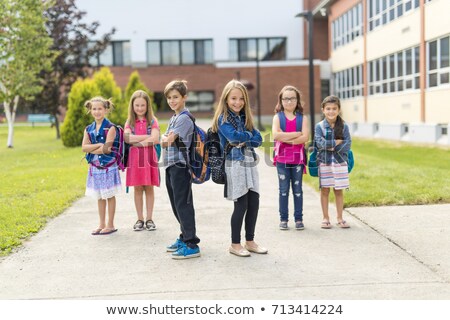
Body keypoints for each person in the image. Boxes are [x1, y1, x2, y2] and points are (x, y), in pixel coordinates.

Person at [211, 80, 267, 257]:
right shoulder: (223, 119)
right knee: (241, 204)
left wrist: (246, 137)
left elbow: (259, 140)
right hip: (234, 164)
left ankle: (249, 241)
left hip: (249, 162)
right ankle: (235, 244)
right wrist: (248, 136)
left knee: (254, 202)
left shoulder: (246, 117)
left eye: (241, 98)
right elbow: (233, 138)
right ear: (226, 99)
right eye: (233, 98)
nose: (238, 102)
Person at [161, 80, 200, 259]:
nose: (171, 100)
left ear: (185, 97)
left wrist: (163, 138)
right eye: (169, 97)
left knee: (183, 205)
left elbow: (167, 140)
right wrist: (165, 137)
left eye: (175, 97)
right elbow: (166, 137)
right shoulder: (174, 118)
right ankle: (184, 237)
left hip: (180, 166)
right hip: (171, 165)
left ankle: (192, 244)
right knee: (176, 205)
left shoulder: (184, 118)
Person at [82, 97, 121, 235]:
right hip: (95, 168)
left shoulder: (110, 128)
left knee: (109, 195)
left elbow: (107, 149)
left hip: (108, 167)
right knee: (99, 196)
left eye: (100, 109)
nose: (97, 111)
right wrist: (98, 145)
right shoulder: (88, 129)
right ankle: (101, 223)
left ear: (105, 110)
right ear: (90, 110)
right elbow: (83, 147)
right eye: (94, 109)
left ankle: (110, 224)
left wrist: (94, 148)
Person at [272, 85, 309, 231]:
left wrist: (285, 137)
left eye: (292, 98)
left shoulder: (302, 118)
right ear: (281, 100)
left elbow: (305, 137)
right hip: (282, 160)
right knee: (283, 190)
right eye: (285, 98)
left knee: (298, 189)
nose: (289, 101)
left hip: (297, 160)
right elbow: (275, 135)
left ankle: (298, 218)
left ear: (297, 100)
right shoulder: (277, 117)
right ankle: (284, 219)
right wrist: (297, 134)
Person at [124, 90, 160, 231]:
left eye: (142, 105)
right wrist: (147, 138)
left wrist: (136, 142)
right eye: (137, 105)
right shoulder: (130, 122)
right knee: (138, 188)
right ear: (132, 106)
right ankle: (140, 219)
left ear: (147, 106)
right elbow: (127, 139)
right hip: (134, 161)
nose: (139, 108)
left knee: (149, 187)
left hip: (149, 159)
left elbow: (155, 139)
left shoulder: (152, 121)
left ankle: (149, 219)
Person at [315, 95, 351, 229]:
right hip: (325, 162)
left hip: (340, 162)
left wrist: (330, 147)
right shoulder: (319, 126)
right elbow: (320, 143)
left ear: (339, 109)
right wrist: (335, 143)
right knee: (325, 190)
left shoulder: (344, 126)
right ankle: (325, 217)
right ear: (323, 110)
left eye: (334, 108)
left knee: (338, 190)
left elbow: (348, 144)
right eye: (328, 108)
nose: (331, 111)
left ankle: (340, 217)